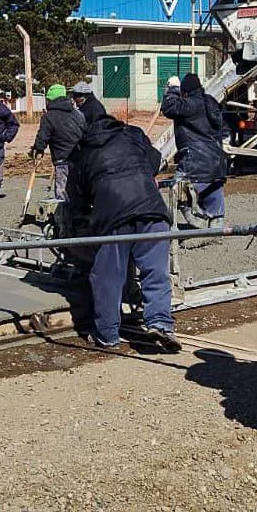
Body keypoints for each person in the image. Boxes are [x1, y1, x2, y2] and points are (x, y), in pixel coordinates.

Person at [66, 114, 181, 353]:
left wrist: (84, 219)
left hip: (113, 217)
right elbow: (156, 161)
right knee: (155, 272)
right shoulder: (132, 134)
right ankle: (160, 323)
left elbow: (76, 198)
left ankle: (107, 335)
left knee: (108, 276)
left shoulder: (82, 152)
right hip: (152, 209)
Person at [160, 72, 228, 227]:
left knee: (179, 189)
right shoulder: (210, 102)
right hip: (217, 161)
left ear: (185, 91)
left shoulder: (190, 104)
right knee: (213, 189)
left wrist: (172, 89)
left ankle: (197, 221)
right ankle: (216, 223)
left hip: (194, 161)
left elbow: (169, 107)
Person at [29, 84, 86, 201]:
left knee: (62, 191)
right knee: (79, 190)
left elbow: (42, 137)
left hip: (62, 158)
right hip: (81, 158)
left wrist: (38, 150)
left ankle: (63, 210)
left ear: (50, 100)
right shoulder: (78, 114)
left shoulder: (49, 117)